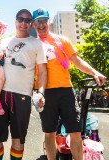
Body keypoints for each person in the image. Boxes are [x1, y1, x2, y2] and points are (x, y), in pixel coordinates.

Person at [32, 8, 107, 160]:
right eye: (38, 21)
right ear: (34, 24)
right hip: (45, 93)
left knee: (76, 132)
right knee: (49, 133)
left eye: (43, 20)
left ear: (48, 22)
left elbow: (77, 61)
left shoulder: (62, 41)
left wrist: (95, 73)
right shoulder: (32, 45)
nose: (41, 24)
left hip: (66, 90)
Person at [0, 9, 47, 160]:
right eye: (21, 19)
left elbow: (43, 72)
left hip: (22, 96)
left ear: (31, 23)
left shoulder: (37, 44)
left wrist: (40, 92)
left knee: (18, 139)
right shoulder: (4, 41)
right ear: (15, 21)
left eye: (27, 20)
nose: (24, 22)